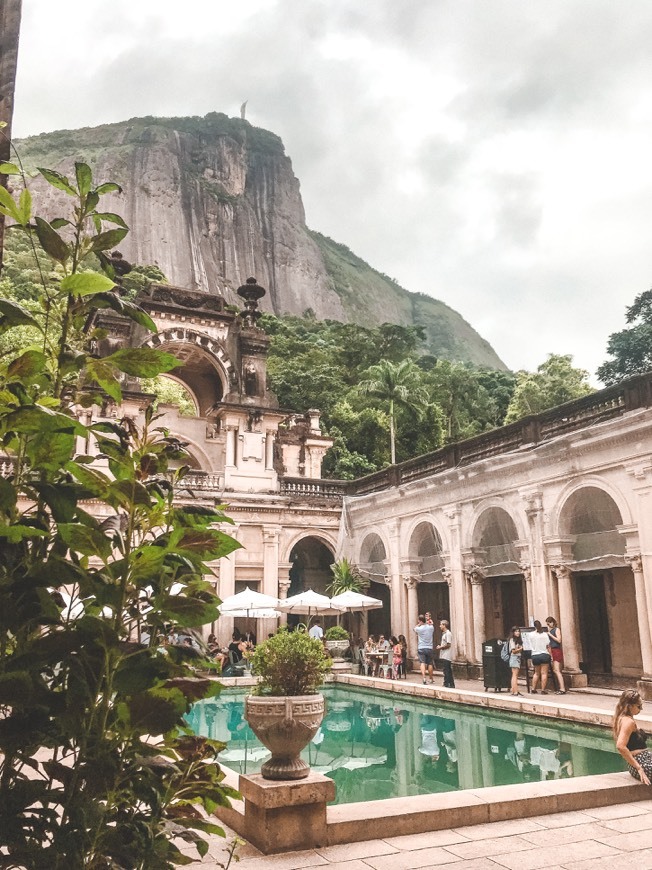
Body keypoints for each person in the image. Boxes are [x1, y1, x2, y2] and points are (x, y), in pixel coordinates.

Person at [614, 689, 651, 785]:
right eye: (639, 706)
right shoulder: (628, 722)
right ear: (630, 706)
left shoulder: (621, 718)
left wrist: (632, 752)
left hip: (638, 763)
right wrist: (639, 768)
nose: (641, 709)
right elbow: (620, 746)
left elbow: (626, 745)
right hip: (642, 764)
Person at [546, 616, 567, 694]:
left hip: (556, 650)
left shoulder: (556, 629)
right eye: (548, 624)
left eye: (550, 623)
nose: (549, 625)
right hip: (552, 651)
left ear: (553, 622)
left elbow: (559, 640)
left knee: (557, 670)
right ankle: (560, 688)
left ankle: (562, 688)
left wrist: (550, 635)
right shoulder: (550, 630)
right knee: (555, 670)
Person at [529, 620, 551, 694]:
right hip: (544, 654)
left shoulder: (531, 634)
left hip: (535, 655)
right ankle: (543, 690)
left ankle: (533, 689)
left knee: (536, 673)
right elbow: (548, 646)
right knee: (544, 673)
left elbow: (528, 643)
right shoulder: (545, 634)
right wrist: (551, 655)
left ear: (534, 626)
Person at [414, 614, 435, 685]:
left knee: (422, 663)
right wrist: (430, 623)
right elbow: (432, 625)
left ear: (419, 620)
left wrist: (419, 624)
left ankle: (424, 677)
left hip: (421, 647)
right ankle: (431, 678)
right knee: (430, 663)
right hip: (429, 647)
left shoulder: (419, 629)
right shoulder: (431, 628)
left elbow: (414, 628)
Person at [436, 619, 455, 688]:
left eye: (441, 624)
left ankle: (447, 683)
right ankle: (451, 683)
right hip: (444, 654)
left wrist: (440, 647)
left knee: (446, 669)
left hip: (447, 655)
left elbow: (448, 644)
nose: (440, 626)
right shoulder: (445, 634)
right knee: (447, 669)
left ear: (444, 625)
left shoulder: (448, 634)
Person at [507, 626, 524, 696]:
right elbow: (513, 651)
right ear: (513, 632)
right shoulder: (512, 640)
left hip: (517, 658)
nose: (518, 633)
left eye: (518, 631)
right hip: (514, 657)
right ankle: (515, 691)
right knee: (515, 675)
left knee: (514, 675)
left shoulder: (518, 640)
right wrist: (520, 649)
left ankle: (514, 690)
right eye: (516, 631)